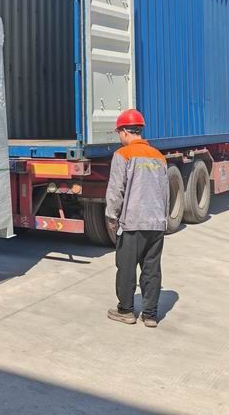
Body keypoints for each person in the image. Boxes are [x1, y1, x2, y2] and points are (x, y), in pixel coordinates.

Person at [105, 109, 169, 328]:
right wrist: (163, 220)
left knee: (126, 267)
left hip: (132, 222)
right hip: (156, 222)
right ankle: (150, 315)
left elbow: (116, 190)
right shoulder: (158, 156)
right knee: (152, 268)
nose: (119, 137)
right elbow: (165, 191)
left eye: (119, 133)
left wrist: (111, 217)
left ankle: (125, 310)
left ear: (124, 131)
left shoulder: (123, 155)